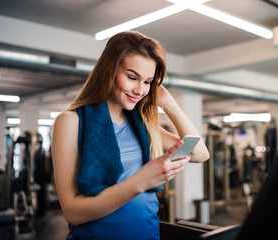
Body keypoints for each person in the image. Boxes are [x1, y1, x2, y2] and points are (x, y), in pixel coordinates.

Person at [51, 31, 209, 240]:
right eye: (132, 77)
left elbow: (199, 153)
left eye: (148, 82)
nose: (140, 90)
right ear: (108, 71)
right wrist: (141, 181)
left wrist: (169, 103)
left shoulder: (144, 125)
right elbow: (73, 212)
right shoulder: (71, 121)